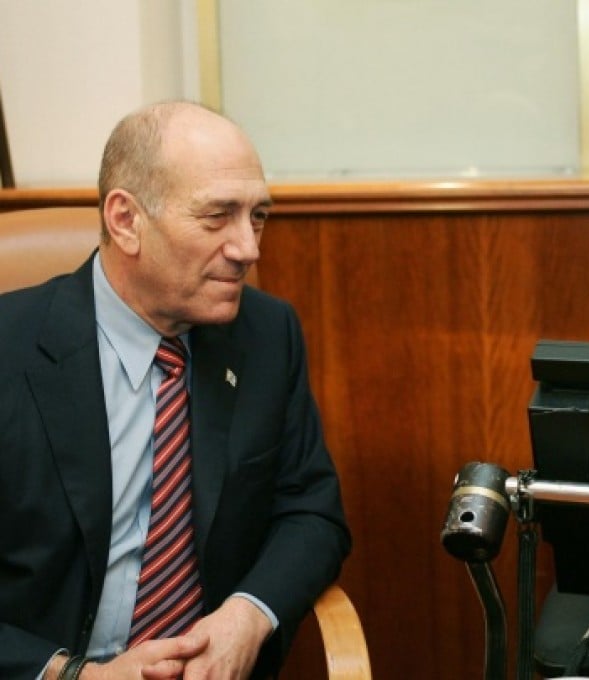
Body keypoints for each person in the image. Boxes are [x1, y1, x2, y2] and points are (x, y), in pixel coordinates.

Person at [0, 101, 351, 679]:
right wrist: (75, 675)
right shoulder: (11, 350)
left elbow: (312, 511)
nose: (248, 249)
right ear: (126, 220)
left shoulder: (267, 335)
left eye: (257, 216)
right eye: (218, 217)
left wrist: (249, 614)